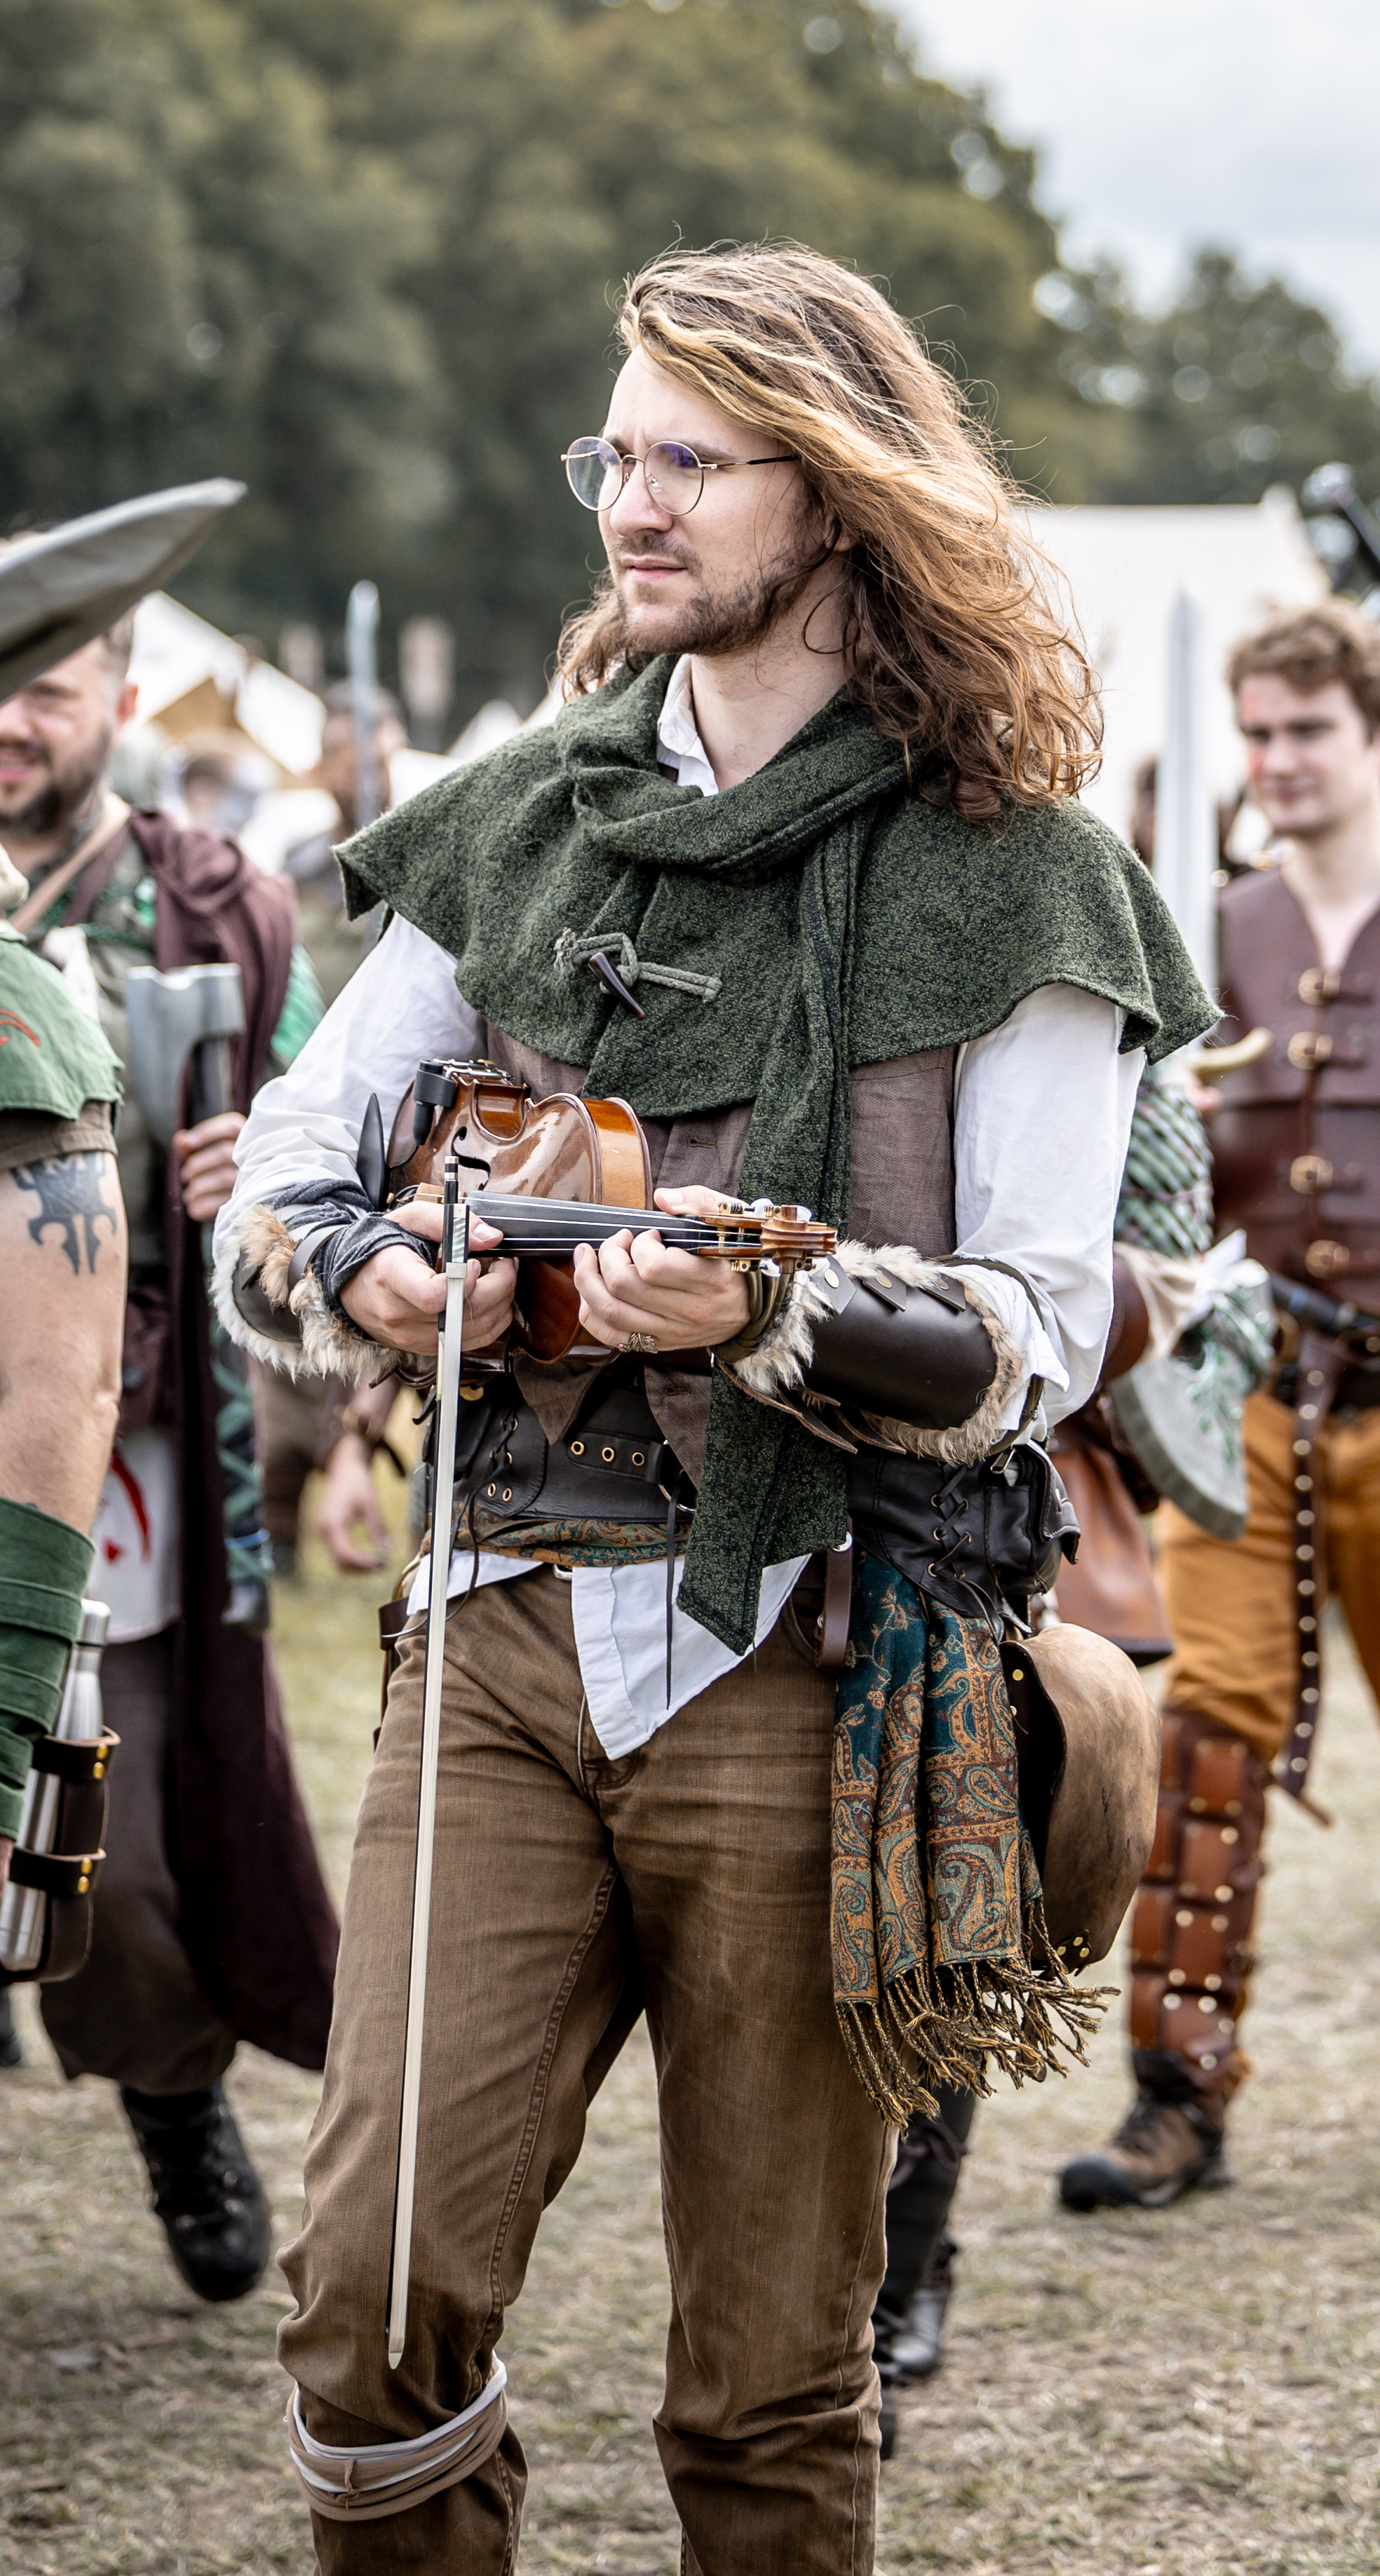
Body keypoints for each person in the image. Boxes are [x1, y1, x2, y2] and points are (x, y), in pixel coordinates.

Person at [217, 242, 1209, 2572]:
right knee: (364, 2312)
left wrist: (764, 1319)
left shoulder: (1015, 872)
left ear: (835, 499)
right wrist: (393, 1282)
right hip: (502, 1632)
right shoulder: (517, 819)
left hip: (814, 1647)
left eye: (687, 460)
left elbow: (1033, 1329)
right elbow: (289, 1171)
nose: (627, 506)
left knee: (765, 2383)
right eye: (612, 455)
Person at [0, 615, 339, 2298]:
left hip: (108, 1445)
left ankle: (171, 2088)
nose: (10, 716)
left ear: (118, 702)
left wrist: (252, 1158)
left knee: (106, 1847)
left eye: (46, 687)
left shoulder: (211, 900)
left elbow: (338, 1126)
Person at [1060, 599, 1380, 2212]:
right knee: (1204, 1737)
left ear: (1370, 733)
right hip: (1247, 1394)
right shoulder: (1202, 925)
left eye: (1309, 728)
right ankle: (1177, 2091)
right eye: (1257, 731)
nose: (1277, 759)